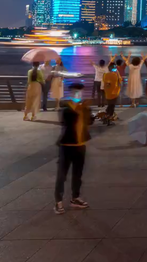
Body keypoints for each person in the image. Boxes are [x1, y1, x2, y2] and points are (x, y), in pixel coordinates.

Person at [54, 83, 91, 214]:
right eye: (75, 92)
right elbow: (67, 120)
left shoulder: (84, 108)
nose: (77, 95)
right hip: (66, 146)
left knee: (78, 174)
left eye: (80, 92)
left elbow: (89, 121)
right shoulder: (65, 107)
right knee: (62, 175)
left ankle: (75, 198)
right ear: (70, 93)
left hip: (80, 145)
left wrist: (88, 112)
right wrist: (81, 108)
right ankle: (58, 202)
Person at [102, 58, 123, 123]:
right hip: (114, 93)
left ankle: (106, 116)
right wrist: (117, 72)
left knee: (109, 105)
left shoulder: (105, 75)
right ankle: (108, 117)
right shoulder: (115, 75)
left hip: (107, 93)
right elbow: (120, 80)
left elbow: (103, 82)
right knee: (112, 106)